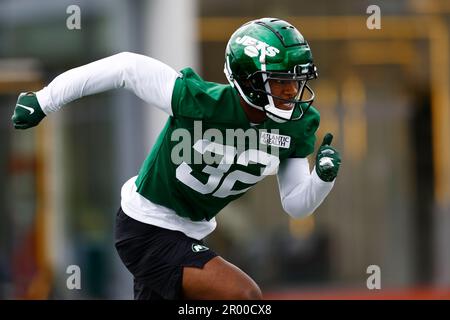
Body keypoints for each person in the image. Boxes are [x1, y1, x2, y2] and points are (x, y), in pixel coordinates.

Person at [11, 17, 341, 300]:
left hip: (189, 234)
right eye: (281, 83)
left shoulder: (295, 126)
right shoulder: (197, 101)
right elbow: (126, 66)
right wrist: (44, 100)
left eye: (296, 83)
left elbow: (296, 205)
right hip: (146, 228)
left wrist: (322, 179)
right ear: (249, 79)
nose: (291, 93)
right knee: (244, 296)